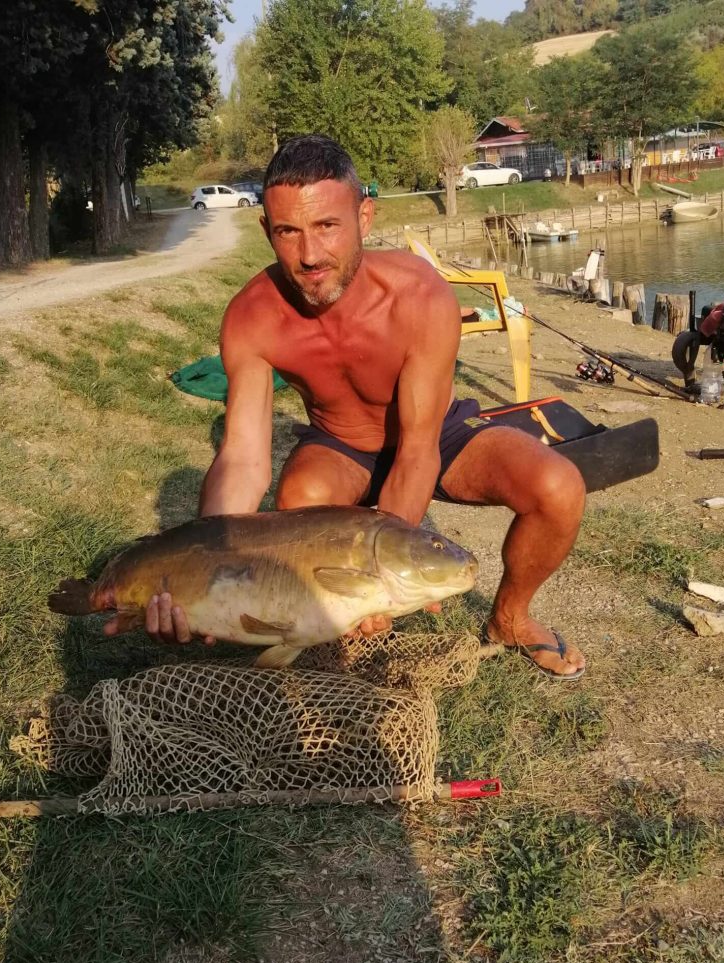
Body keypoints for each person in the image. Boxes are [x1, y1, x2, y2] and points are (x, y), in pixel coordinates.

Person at [107, 134, 586, 679]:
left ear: (364, 216)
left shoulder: (419, 295)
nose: (309, 255)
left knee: (558, 487)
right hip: (341, 443)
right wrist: (209, 561)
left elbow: (417, 451)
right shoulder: (251, 317)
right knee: (299, 495)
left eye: (327, 226)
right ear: (266, 230)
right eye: (288, 232)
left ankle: (510, 618)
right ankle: (303, 628)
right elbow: (241, 459)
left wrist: (379, 579)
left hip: (435, 434)